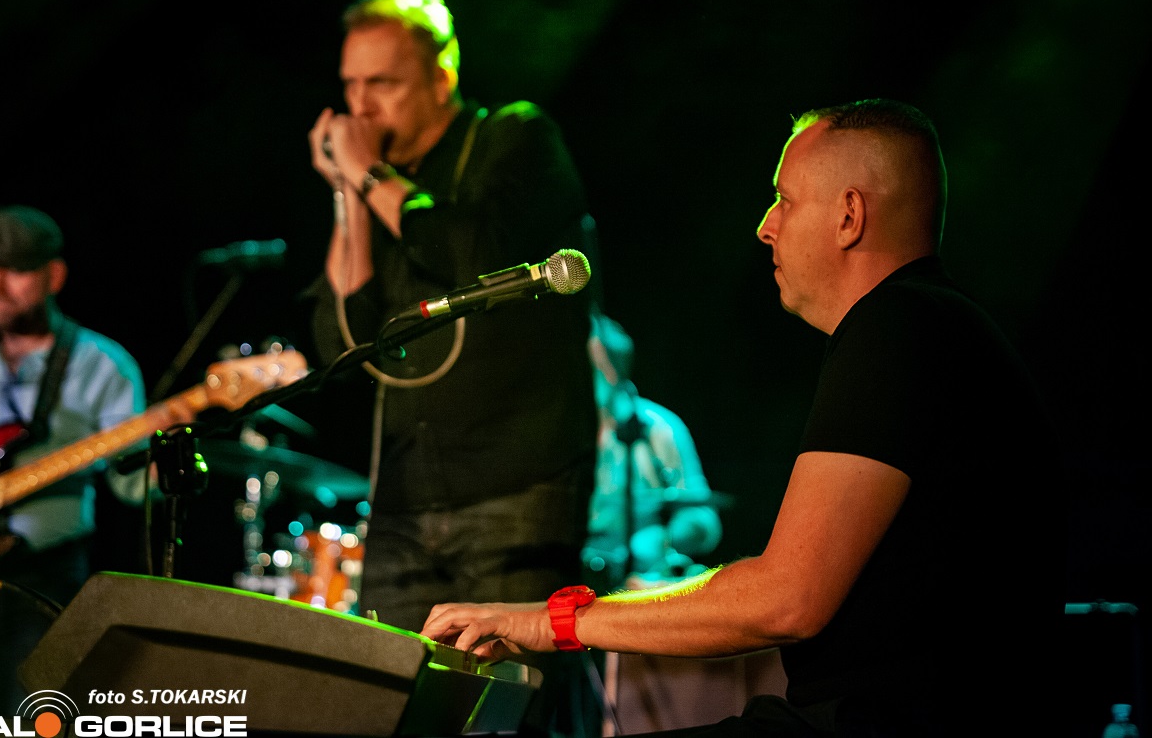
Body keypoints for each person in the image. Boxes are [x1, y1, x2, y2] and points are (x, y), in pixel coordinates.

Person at [422, 98, 1062, 736]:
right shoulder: (934, 327)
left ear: (849, 216)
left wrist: (553, 621)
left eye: (785, 199)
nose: (764, 226)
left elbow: (787, 599)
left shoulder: (899, 328)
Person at [302, 0, 600, 735]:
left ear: (441, 77)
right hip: (404, 500)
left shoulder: (514, 138)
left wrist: (371, 176)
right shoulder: (373, 185)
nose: (361, 106)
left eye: (383, 82)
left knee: (505, 715)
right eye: (350, 85)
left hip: (514, 487)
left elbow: (475, 253)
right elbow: (342, 340)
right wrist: (348, 194)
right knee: (392, 710)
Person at [0, 205, 146, 713]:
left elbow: (134, 486)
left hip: (44, 579)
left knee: (34, 717)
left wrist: (166, 452)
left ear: (54, 276)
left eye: (16, 270)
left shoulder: (104, 365)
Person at [583, 311, 722, 594]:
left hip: (639, 585)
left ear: (610, 371)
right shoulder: (560, 434)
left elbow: (703, 521)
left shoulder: (658, 429)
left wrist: (654, 542)